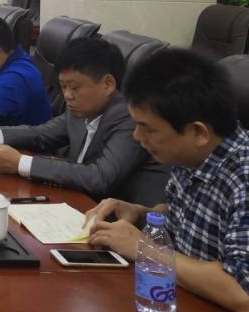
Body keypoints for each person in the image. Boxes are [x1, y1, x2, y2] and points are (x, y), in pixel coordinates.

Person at [86, 49, 249, 310]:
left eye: (147, 128)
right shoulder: (190, 154)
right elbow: (183, 218)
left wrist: (144, 248)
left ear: (198, 132)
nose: (137, 136)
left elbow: (242, 292)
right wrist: (139, 213)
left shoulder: (243, 177)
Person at [0, 37, 168, 204]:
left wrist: (20, 163)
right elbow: (40, 134)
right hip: (75, 203)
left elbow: (100, 177)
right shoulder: (81, 110)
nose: (67, 96)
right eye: (63, 87)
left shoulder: (129, 118)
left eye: (74, 87)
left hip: (126, 224)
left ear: (108, 84)